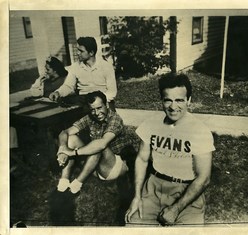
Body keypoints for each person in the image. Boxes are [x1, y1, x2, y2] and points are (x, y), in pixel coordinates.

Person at [125, 73, 215, 226]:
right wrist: (137, 197)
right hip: (153, 188)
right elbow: (141, 159)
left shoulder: (200, 130)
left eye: (179, 100)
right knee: (132, 227)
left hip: (186, 193)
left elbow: (204, 178)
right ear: (162, 100)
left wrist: (175, 209)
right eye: (168, 100)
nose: (173, 107)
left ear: (189, 101)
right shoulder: (151, 124)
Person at [55, 91, 135, 194]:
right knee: (71, 139)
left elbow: (102, 144)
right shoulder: (90, 117)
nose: (96, 113)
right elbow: (64, 132)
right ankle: (64, 180)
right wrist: (62, 149)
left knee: (98, 145)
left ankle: (78, 183)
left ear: (106, 105)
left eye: (99, 108)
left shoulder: (115, 119)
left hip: (115, 166)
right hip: (96, 163)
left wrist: (72, 152)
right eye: (93, 110)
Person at [49, 36, 117, 111]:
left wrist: (98, 102)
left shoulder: (106, 66)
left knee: (111, 118)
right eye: (78, 50)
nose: (78, 53)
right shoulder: (75, 66)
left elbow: (112, 92)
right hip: (83, 101)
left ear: (91, 53)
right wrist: (58, 93)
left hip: (103, 100)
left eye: (81, 51)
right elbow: (68, 86)